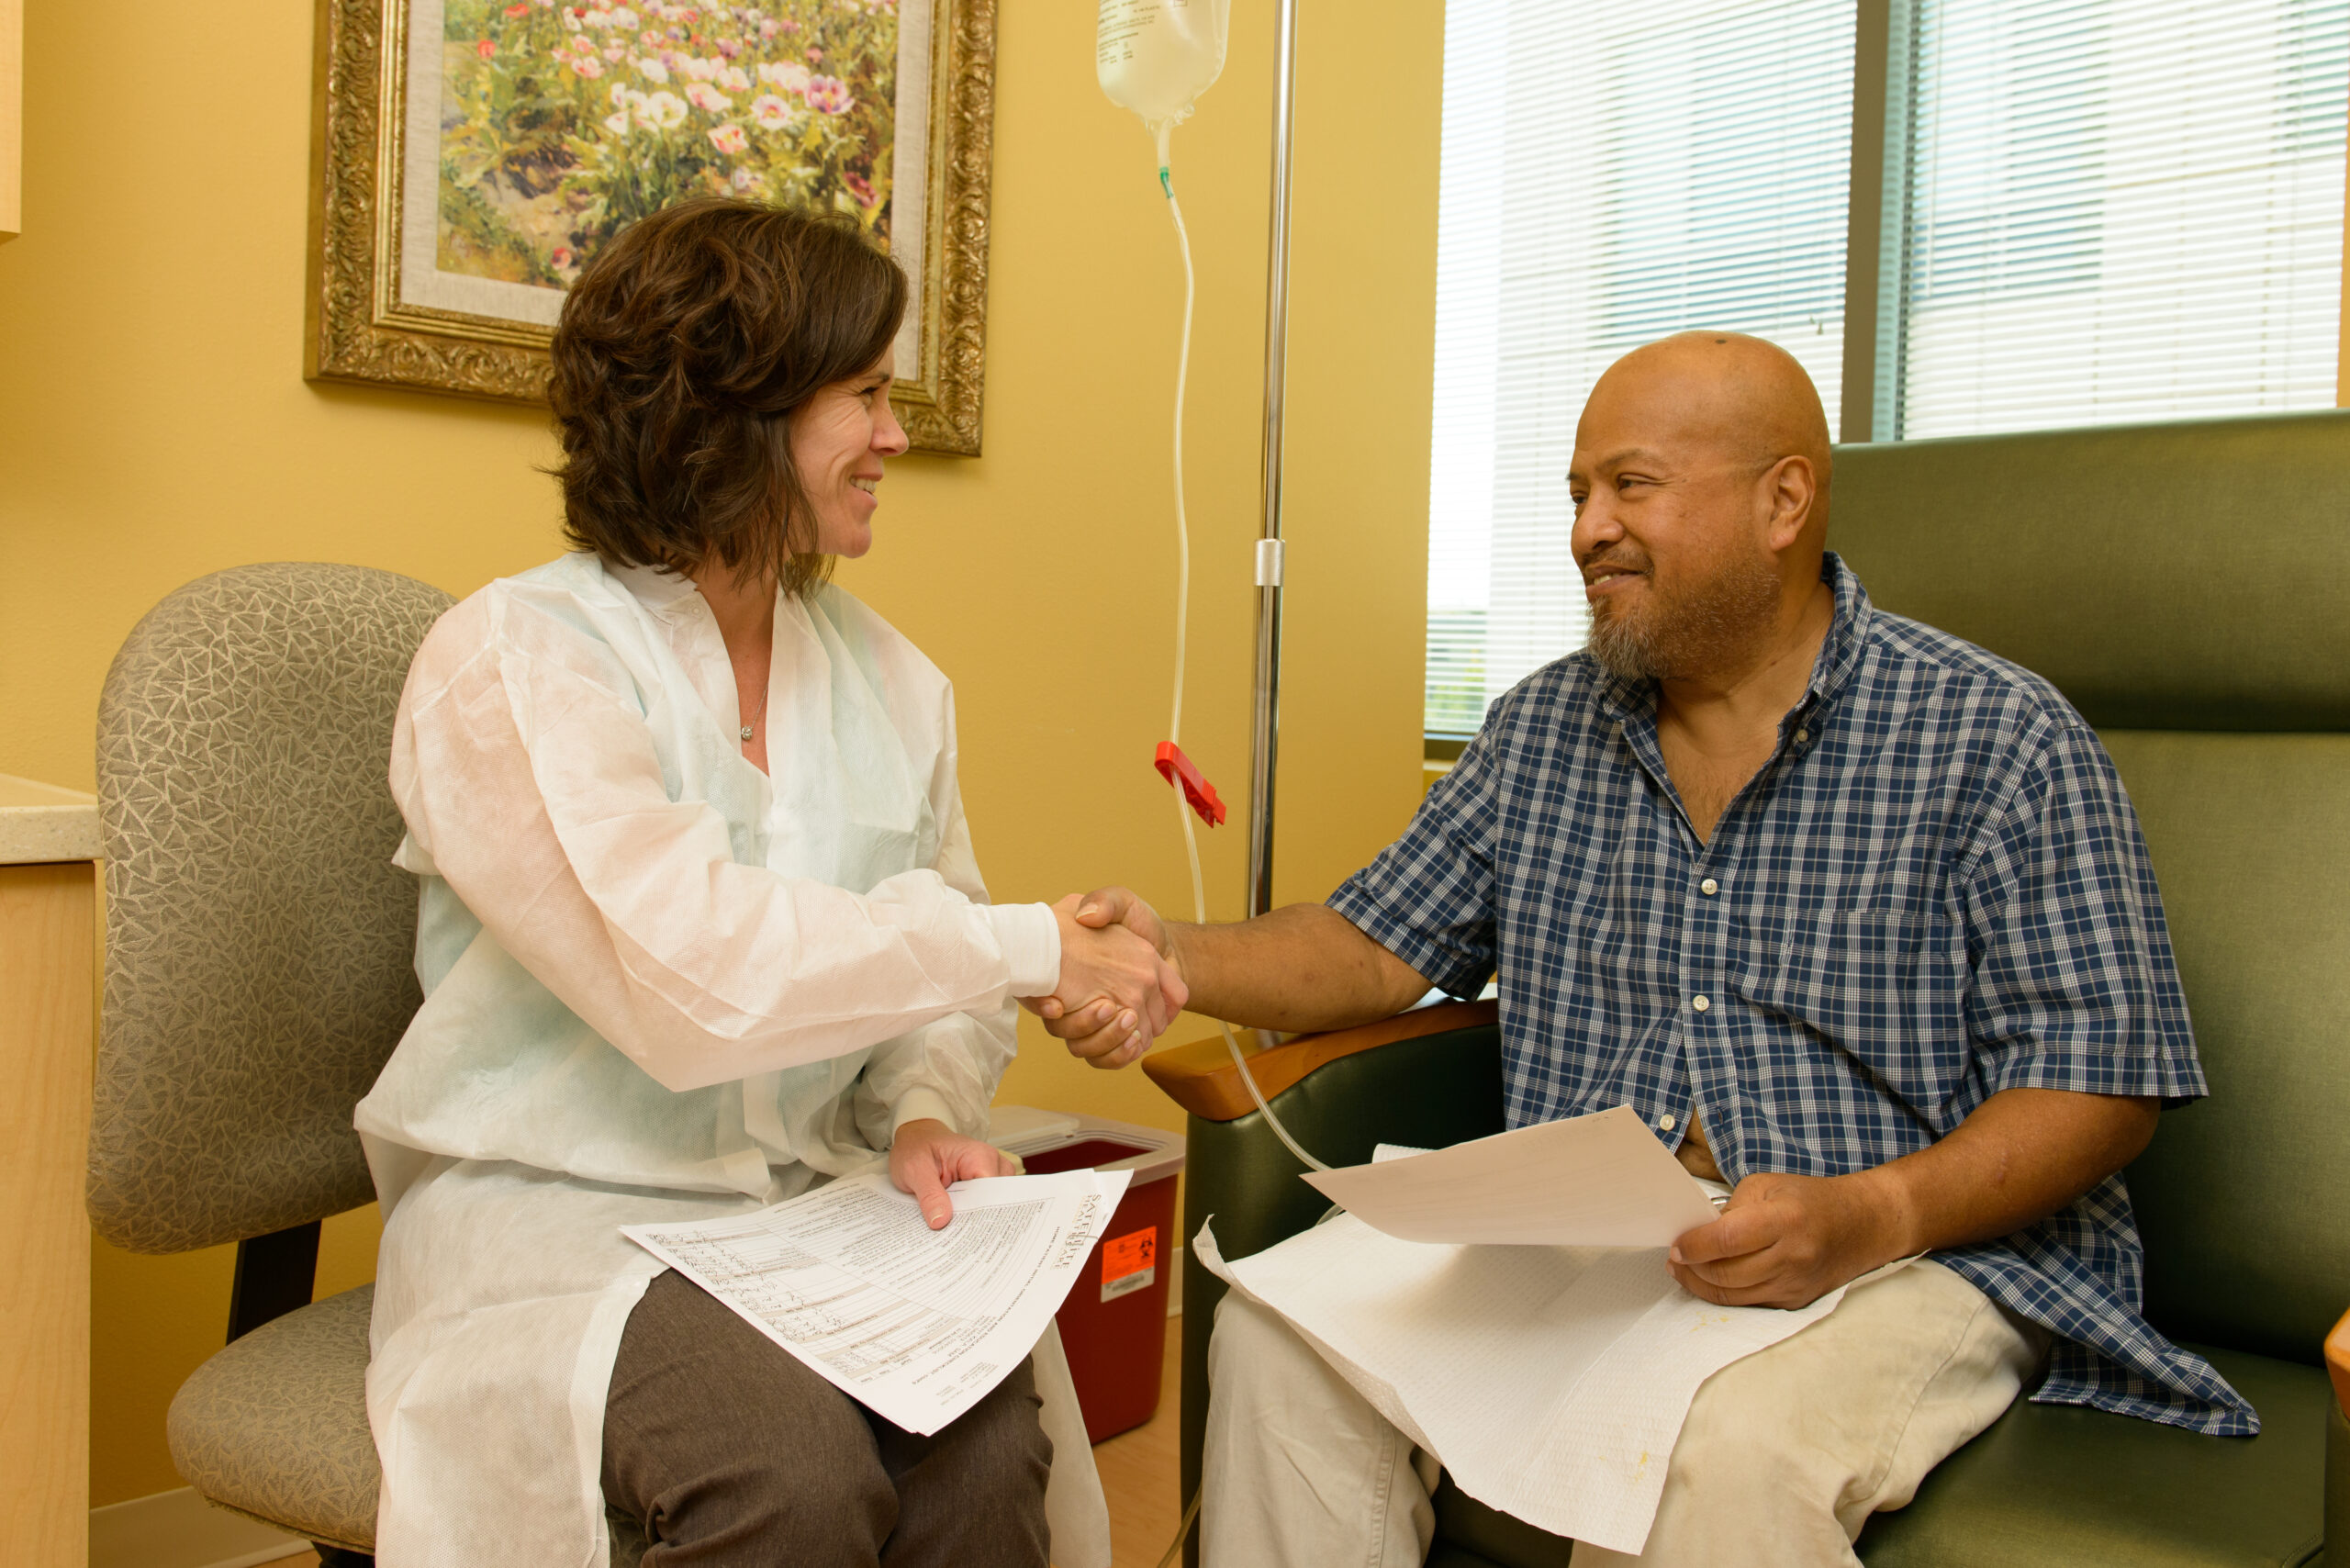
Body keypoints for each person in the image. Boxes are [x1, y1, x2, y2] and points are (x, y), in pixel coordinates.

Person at [1039, 332, 2255, 1566]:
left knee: (1716, 1448)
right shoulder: (1541, 730)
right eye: (1578, 493)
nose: (1588, 530)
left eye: (1632, 485)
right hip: (1594, 1233)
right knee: (1275, 1344)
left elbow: (2100, 1085)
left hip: (1911, 1248)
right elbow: (1369, 945)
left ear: (1784, 501)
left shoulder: (1996, 738)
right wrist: (1166, 951)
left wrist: (1873, 1210)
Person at [355, 199, 1185, 1567]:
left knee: (986, 1463)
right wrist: (1034, 946)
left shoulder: (892, 682)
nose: (897, 436)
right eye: (866, 394)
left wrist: (921, 1113)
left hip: (818, 1209)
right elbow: (694, 979)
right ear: (732, 413)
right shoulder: (516, 664)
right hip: (574, 1217)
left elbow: (931, 975)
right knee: (791, 1474)